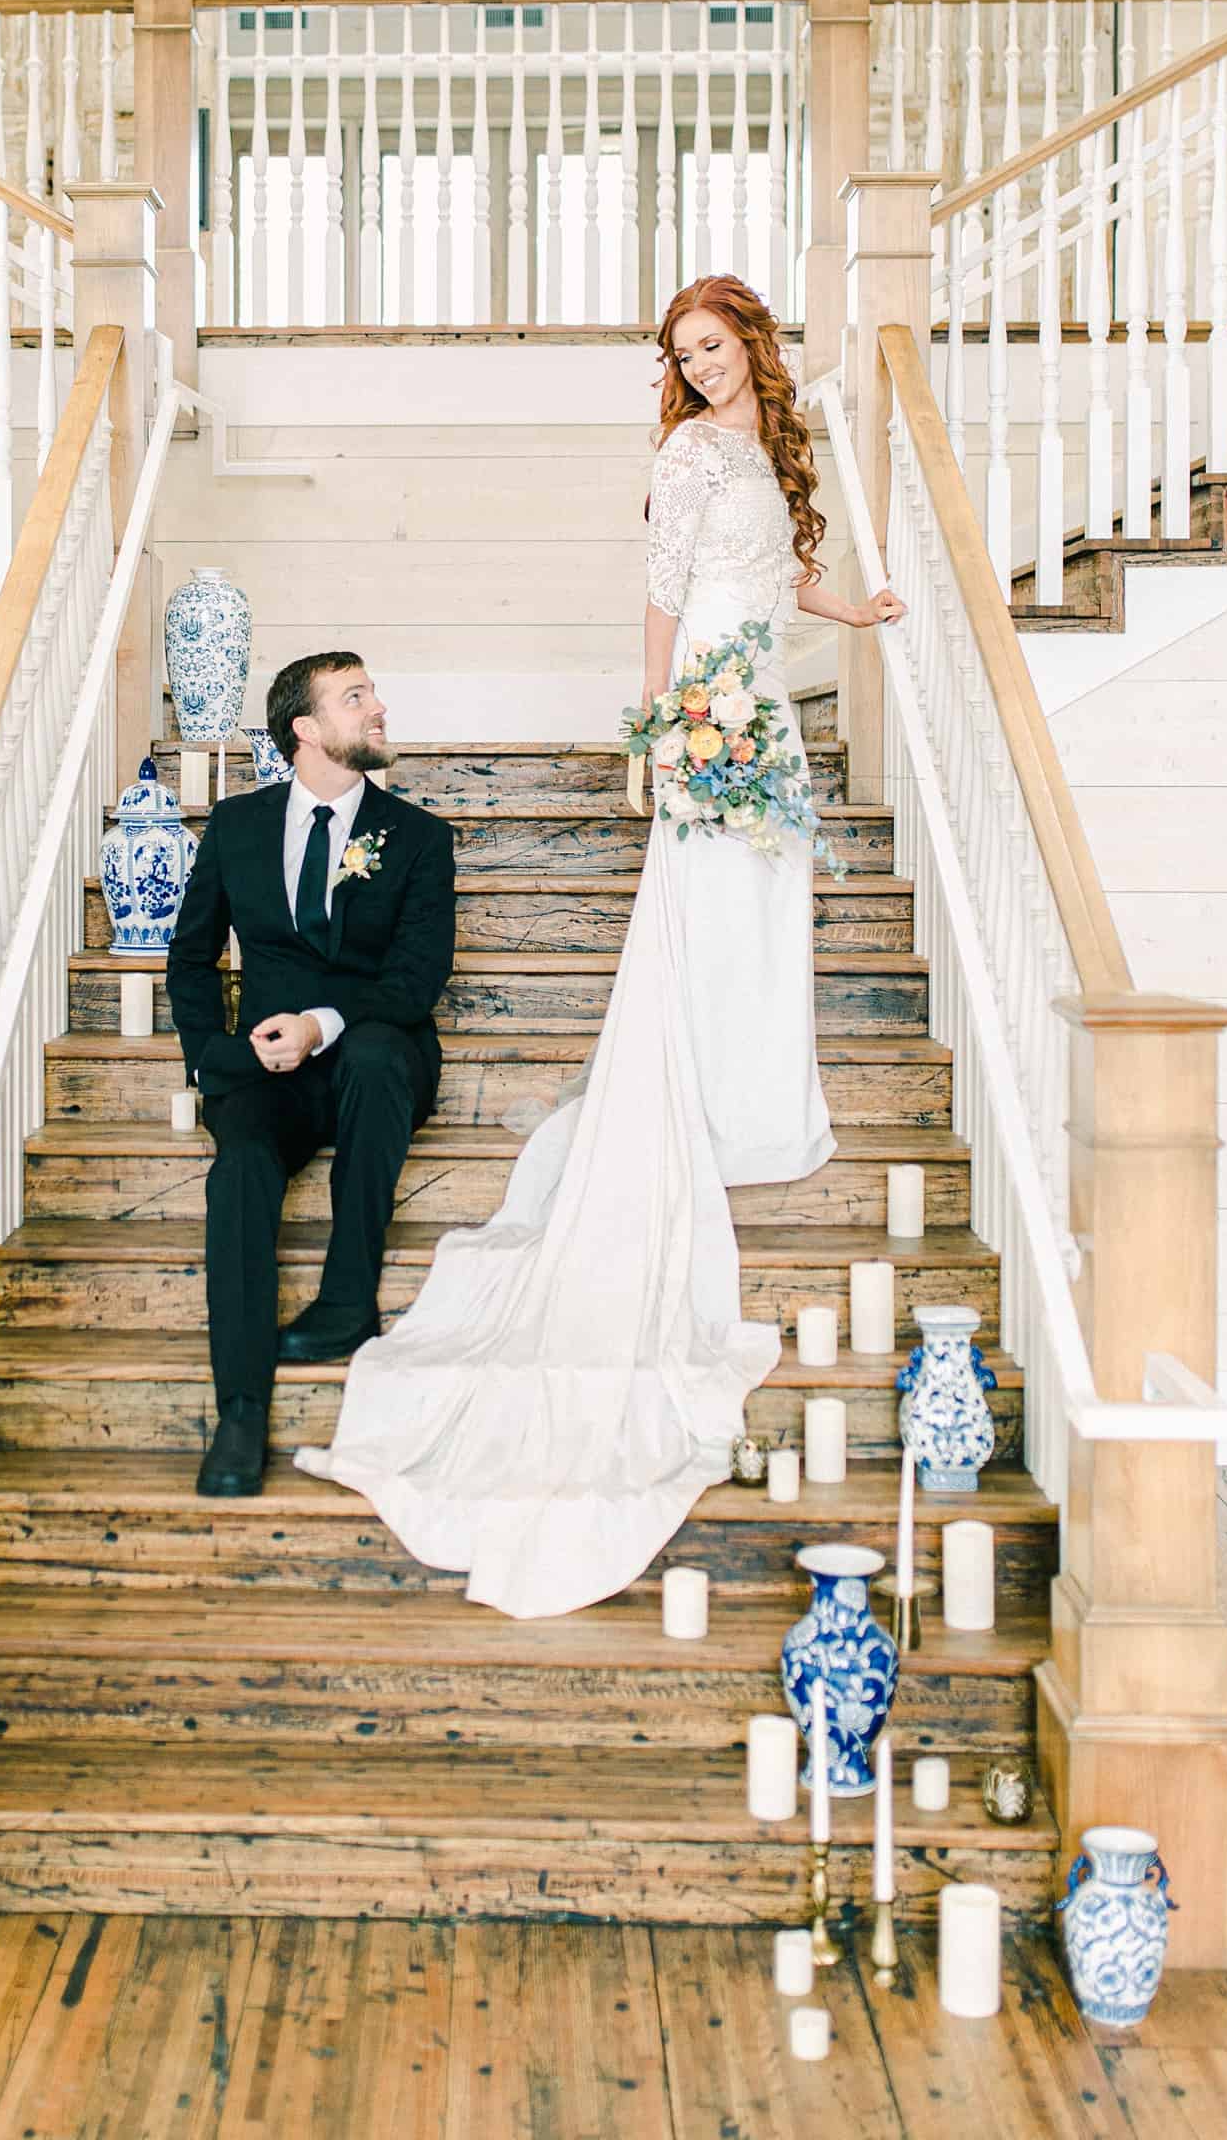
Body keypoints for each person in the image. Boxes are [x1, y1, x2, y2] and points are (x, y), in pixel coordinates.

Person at [297, 276, 904, 1617]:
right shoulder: (684, 454)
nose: (699, 366)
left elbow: (776, 576)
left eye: (713, 344)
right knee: (706, 903)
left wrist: (850, 615)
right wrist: (659, 731)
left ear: (749, 340)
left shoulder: (769, 444)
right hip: (708, 702)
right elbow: (667, 592)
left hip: (769, 701)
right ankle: (702, 1094)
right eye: (681, 355)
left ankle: (752, 1091)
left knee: (768, 902)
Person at [166, 651, 456, 1499]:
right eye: (356, 697)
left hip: (379, 1058)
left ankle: (347, 1300)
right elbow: (190, 960)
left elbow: (416, 978)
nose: (378, 708)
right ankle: (241, 1411)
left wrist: (323, 1023)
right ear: (305, 728)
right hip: (266, 1068)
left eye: (372, 692)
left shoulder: (417, 837)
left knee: (368, 1051)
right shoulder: (237, 825)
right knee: (241, 1171)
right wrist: (223, 1055)